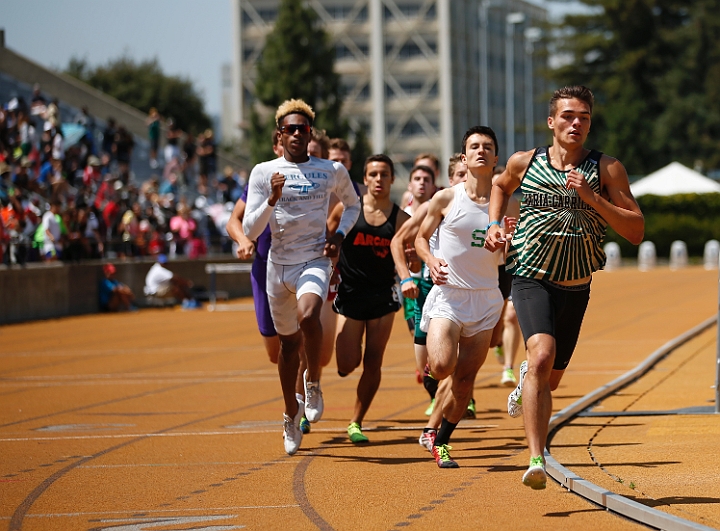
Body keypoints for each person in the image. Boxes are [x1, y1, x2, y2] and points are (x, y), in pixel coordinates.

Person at [485, 85, 644, 489]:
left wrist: (592, 199)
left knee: (549, 377)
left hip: (575, 285)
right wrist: (492, 224)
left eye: (584, 118)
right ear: (552, 121)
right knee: (541, 357)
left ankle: (529, 379)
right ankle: (537, 458)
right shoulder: (526, 162)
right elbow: (500, 186)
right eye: (569, 116)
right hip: (530, 275)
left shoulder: (607, 169)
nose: (577, 123)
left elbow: (636, 231)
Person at [243, 99, 360, 456]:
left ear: (310, 134)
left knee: (309, 315)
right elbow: (250, 228)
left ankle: (312, 382)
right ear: (279, 134)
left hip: (314, 259)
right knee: (287, 347)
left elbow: (353, 205)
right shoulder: (264, 172)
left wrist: (338, 236)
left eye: (303, 129)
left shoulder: (331, 169)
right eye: (290, 129)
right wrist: (272, 199)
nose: (297, 134)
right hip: (277, 268)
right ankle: (290, 415)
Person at [414, 126, 504, 468]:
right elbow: (421, 239)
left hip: (486, 298)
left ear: (496, 158)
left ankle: (442, 441)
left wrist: (506, 247)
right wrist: (431, 260)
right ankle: (433, 366)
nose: (481, 151)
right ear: (464, 158)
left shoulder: (509, 201)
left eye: (488, 147)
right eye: (474, 147)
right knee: (440, 366)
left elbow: (512, 253)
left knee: (464, 384)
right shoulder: (446, 198)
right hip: (449, 295)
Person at [334, 154, 410, 443]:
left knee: (374, 360)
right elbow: (328, 236)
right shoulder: (349, 210)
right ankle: (349, 355)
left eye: (384, 175)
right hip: (351, 294)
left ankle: (356, 421)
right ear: (364, 179)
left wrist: (411, 264)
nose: (379, 180)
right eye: (373, 175)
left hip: (382, 296)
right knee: (345, 364)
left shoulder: (401, 218)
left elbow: (413, 252)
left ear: (392, 179)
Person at [391, 155, 467, 416]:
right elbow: (398, 241)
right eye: (460, 175)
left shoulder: (488, 205)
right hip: (429, 289)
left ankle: (461, 397)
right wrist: (406, 276)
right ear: (450, 179)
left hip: (471, 290)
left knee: (466, 351)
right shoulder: (435, 205)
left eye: (469, 174)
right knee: (432, 364)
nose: (466, 179)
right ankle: (436, 390)